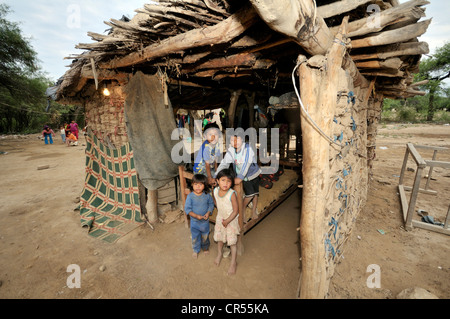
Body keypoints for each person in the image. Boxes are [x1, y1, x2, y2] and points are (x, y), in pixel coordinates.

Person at [216, 134, 261, 221]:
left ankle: (253, 211)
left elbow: (246, 164)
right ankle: (243, 208)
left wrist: (239, 177)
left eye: (238, 139)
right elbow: (224, 163)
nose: (235, 142)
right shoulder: (231, 151)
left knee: (255, 194)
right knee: (250, 195)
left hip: (253, 174)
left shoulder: (248, 149)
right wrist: (217, 174)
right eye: (233, 140)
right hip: (245, 177)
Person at [213, 169, 240, 275]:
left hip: (231, 220)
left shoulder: (231, 194)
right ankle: (219, 254)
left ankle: (233, 262)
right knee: (220, 239)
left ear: (232, 183)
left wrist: (228, 220)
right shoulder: (215, 191)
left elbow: (236, 210)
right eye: (223, 180)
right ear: (218, 181)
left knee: (232, 242)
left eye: (229, 181)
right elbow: (216, 201)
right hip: (220, 218)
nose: (226, 183)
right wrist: (222, 217)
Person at [184, 174, 215, 259]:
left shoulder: (207, 195)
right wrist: (196, 216)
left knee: (205, 236)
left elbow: (211, 204)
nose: (198, 186)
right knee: (195, 237)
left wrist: (208, 212)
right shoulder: (190, 196)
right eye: (195, 184)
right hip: (194, 222)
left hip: (205, 222)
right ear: (192, 185)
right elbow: (187, 209)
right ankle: (196, 249)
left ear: (204, 185)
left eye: (200, 184)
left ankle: (205, 247)